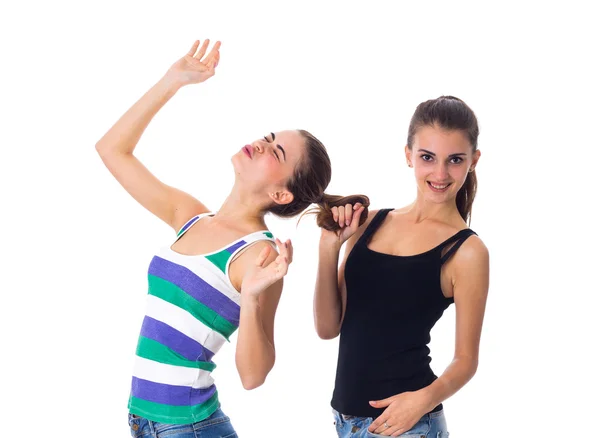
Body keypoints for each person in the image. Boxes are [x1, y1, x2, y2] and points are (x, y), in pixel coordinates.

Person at [95, 39, 365, 437]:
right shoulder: (190, 216)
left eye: (276, 152)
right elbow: (111, 150)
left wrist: (254, 297)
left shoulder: (259, 254)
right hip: (143, 422)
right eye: (269, 135)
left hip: (188, 428)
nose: (261, 143)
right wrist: (172, 81)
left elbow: (254, 375)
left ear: (281, 195)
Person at [313, 96, 490, 437]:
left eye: (455, 160)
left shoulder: (467, 251)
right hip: (344, 421)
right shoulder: (369, 223)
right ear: (408, 155)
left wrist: (421, 401)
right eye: (427, 157)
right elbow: (328, 327)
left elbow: (466, 360)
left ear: (473, 160)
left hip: (409, 426)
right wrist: (328, 249)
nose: (440, 173)